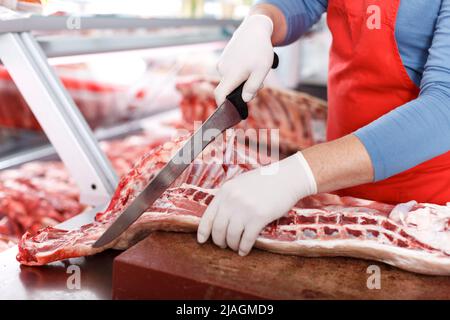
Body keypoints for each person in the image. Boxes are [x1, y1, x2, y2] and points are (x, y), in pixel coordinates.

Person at [197, 0, 450, 256]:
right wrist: (262, 21)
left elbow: (445, 104)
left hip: (425, 209)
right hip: (336, 185)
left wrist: (297, 175)